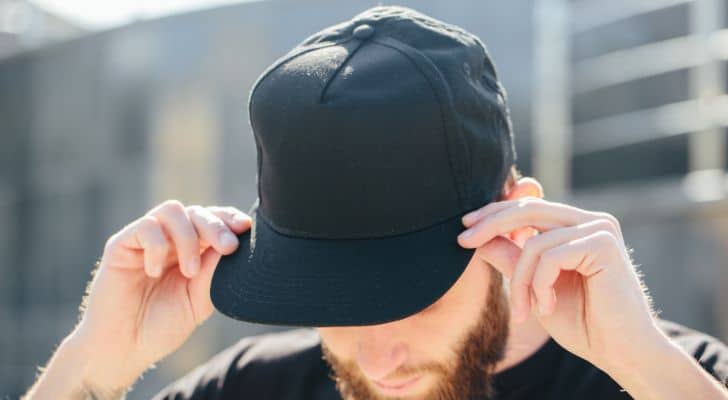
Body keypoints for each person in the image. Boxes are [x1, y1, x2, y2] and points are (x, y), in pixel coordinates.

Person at [23, 5, 728, 400]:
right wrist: (94, 364)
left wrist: (645, 368)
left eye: (408, 296)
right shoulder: (254, 391)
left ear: (516, 218)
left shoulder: (672, 378)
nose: (377, 356)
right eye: (333, 302)